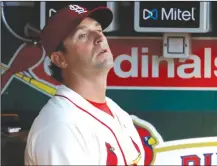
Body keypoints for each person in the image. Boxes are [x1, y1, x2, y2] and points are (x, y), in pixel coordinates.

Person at [24, 4, 145, 165]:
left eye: (99, 30)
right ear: (60, 59)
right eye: (82, 35)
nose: (99, 38)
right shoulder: (60, 127)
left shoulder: (117, 112)